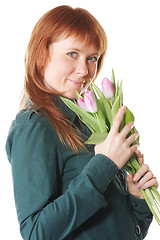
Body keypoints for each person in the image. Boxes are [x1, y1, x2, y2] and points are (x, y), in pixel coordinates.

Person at [5, 5, 158, 240]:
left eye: (92, 58)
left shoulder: (87, 126)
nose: (84, 70)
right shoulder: (34, 126)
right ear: (42, 53)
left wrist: (137, 200)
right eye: (72, 54)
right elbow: (35, 233)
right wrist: (104, 164)